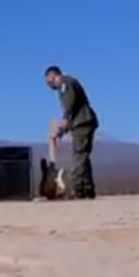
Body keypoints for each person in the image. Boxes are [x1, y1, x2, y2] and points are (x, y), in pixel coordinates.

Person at [44, 66, 100, 199]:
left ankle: (78, 189)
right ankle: (88, 189)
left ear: (53, 76)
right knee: (83, 156)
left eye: (49, 82)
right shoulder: (68, 82)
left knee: (78, 156)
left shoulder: (65, 83)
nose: (49, 85)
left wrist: (63, 123)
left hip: (82, 123)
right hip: (84, 122)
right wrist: (63, 130)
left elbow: (70, 105)